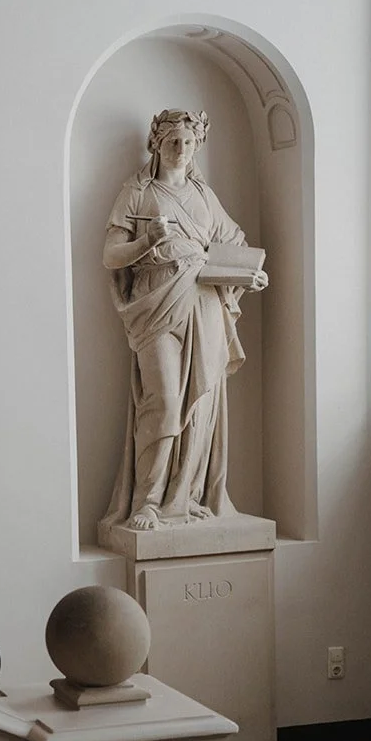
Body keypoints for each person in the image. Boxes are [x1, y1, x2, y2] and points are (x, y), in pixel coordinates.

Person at [101, 108, 269, 532]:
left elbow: (233, 244)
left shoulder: (204, 196)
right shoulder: (138, 192)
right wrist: (147, 241)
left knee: (198, 407)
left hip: (204, 304)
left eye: (189, 142)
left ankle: (183, 497)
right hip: (155, 304)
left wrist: (250, 275)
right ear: (157, 143)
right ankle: (148, 501)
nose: (182, 149)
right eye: (173, 141)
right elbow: (110, 255)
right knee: (164, 401)